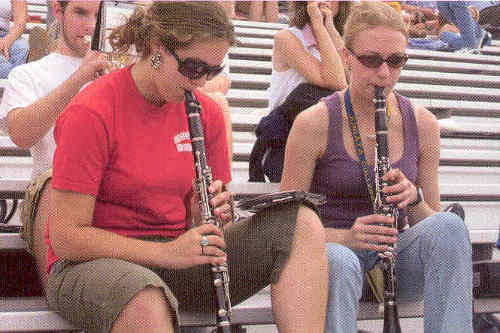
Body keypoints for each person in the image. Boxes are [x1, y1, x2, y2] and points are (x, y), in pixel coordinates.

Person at [46, 2, 328, 333]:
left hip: (175, 255)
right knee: (145, 299)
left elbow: (209, 223)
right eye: (194, 69)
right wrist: (166, 253)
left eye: (214, 71)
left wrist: (209, 211)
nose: (202, 82)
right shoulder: (93, 110)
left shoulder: (206, 114)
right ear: (157, 49)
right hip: (93, 265)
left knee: (300, 223)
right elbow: (66, 237)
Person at [280, 2, 473, 333]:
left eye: (396, 61)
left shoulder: (423, 123)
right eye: (370, 60)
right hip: (334, 255)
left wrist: (413, 200)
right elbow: (283, 229)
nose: (384, 73)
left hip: (396, 260)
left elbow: (433, 224)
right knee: (338, 263)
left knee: (451, 227)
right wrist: (346, 238)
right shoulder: (314, 122)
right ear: (346, 57)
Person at [0, 0, 109, 293]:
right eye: (80, 12)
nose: (90, 25)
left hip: (109, 199)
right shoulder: (29, 74)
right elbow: (21, 133)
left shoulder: (118, 73)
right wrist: (79, 77)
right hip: (54, 198)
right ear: (57, 11)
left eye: (98, 15)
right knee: (54, 181)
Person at [249, 1, 350, 182]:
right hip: (290, 137)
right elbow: (336, 80)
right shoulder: (287, 38)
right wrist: (318, 25)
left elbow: (352, 79)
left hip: (333, 136)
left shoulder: (343, 42)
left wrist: (330, 30)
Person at [0, 0, 29, 78]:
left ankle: (14, 82)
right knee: (3, 63)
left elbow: (21, 22)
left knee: (21, 47)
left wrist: (6, 41)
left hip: (5, 34)